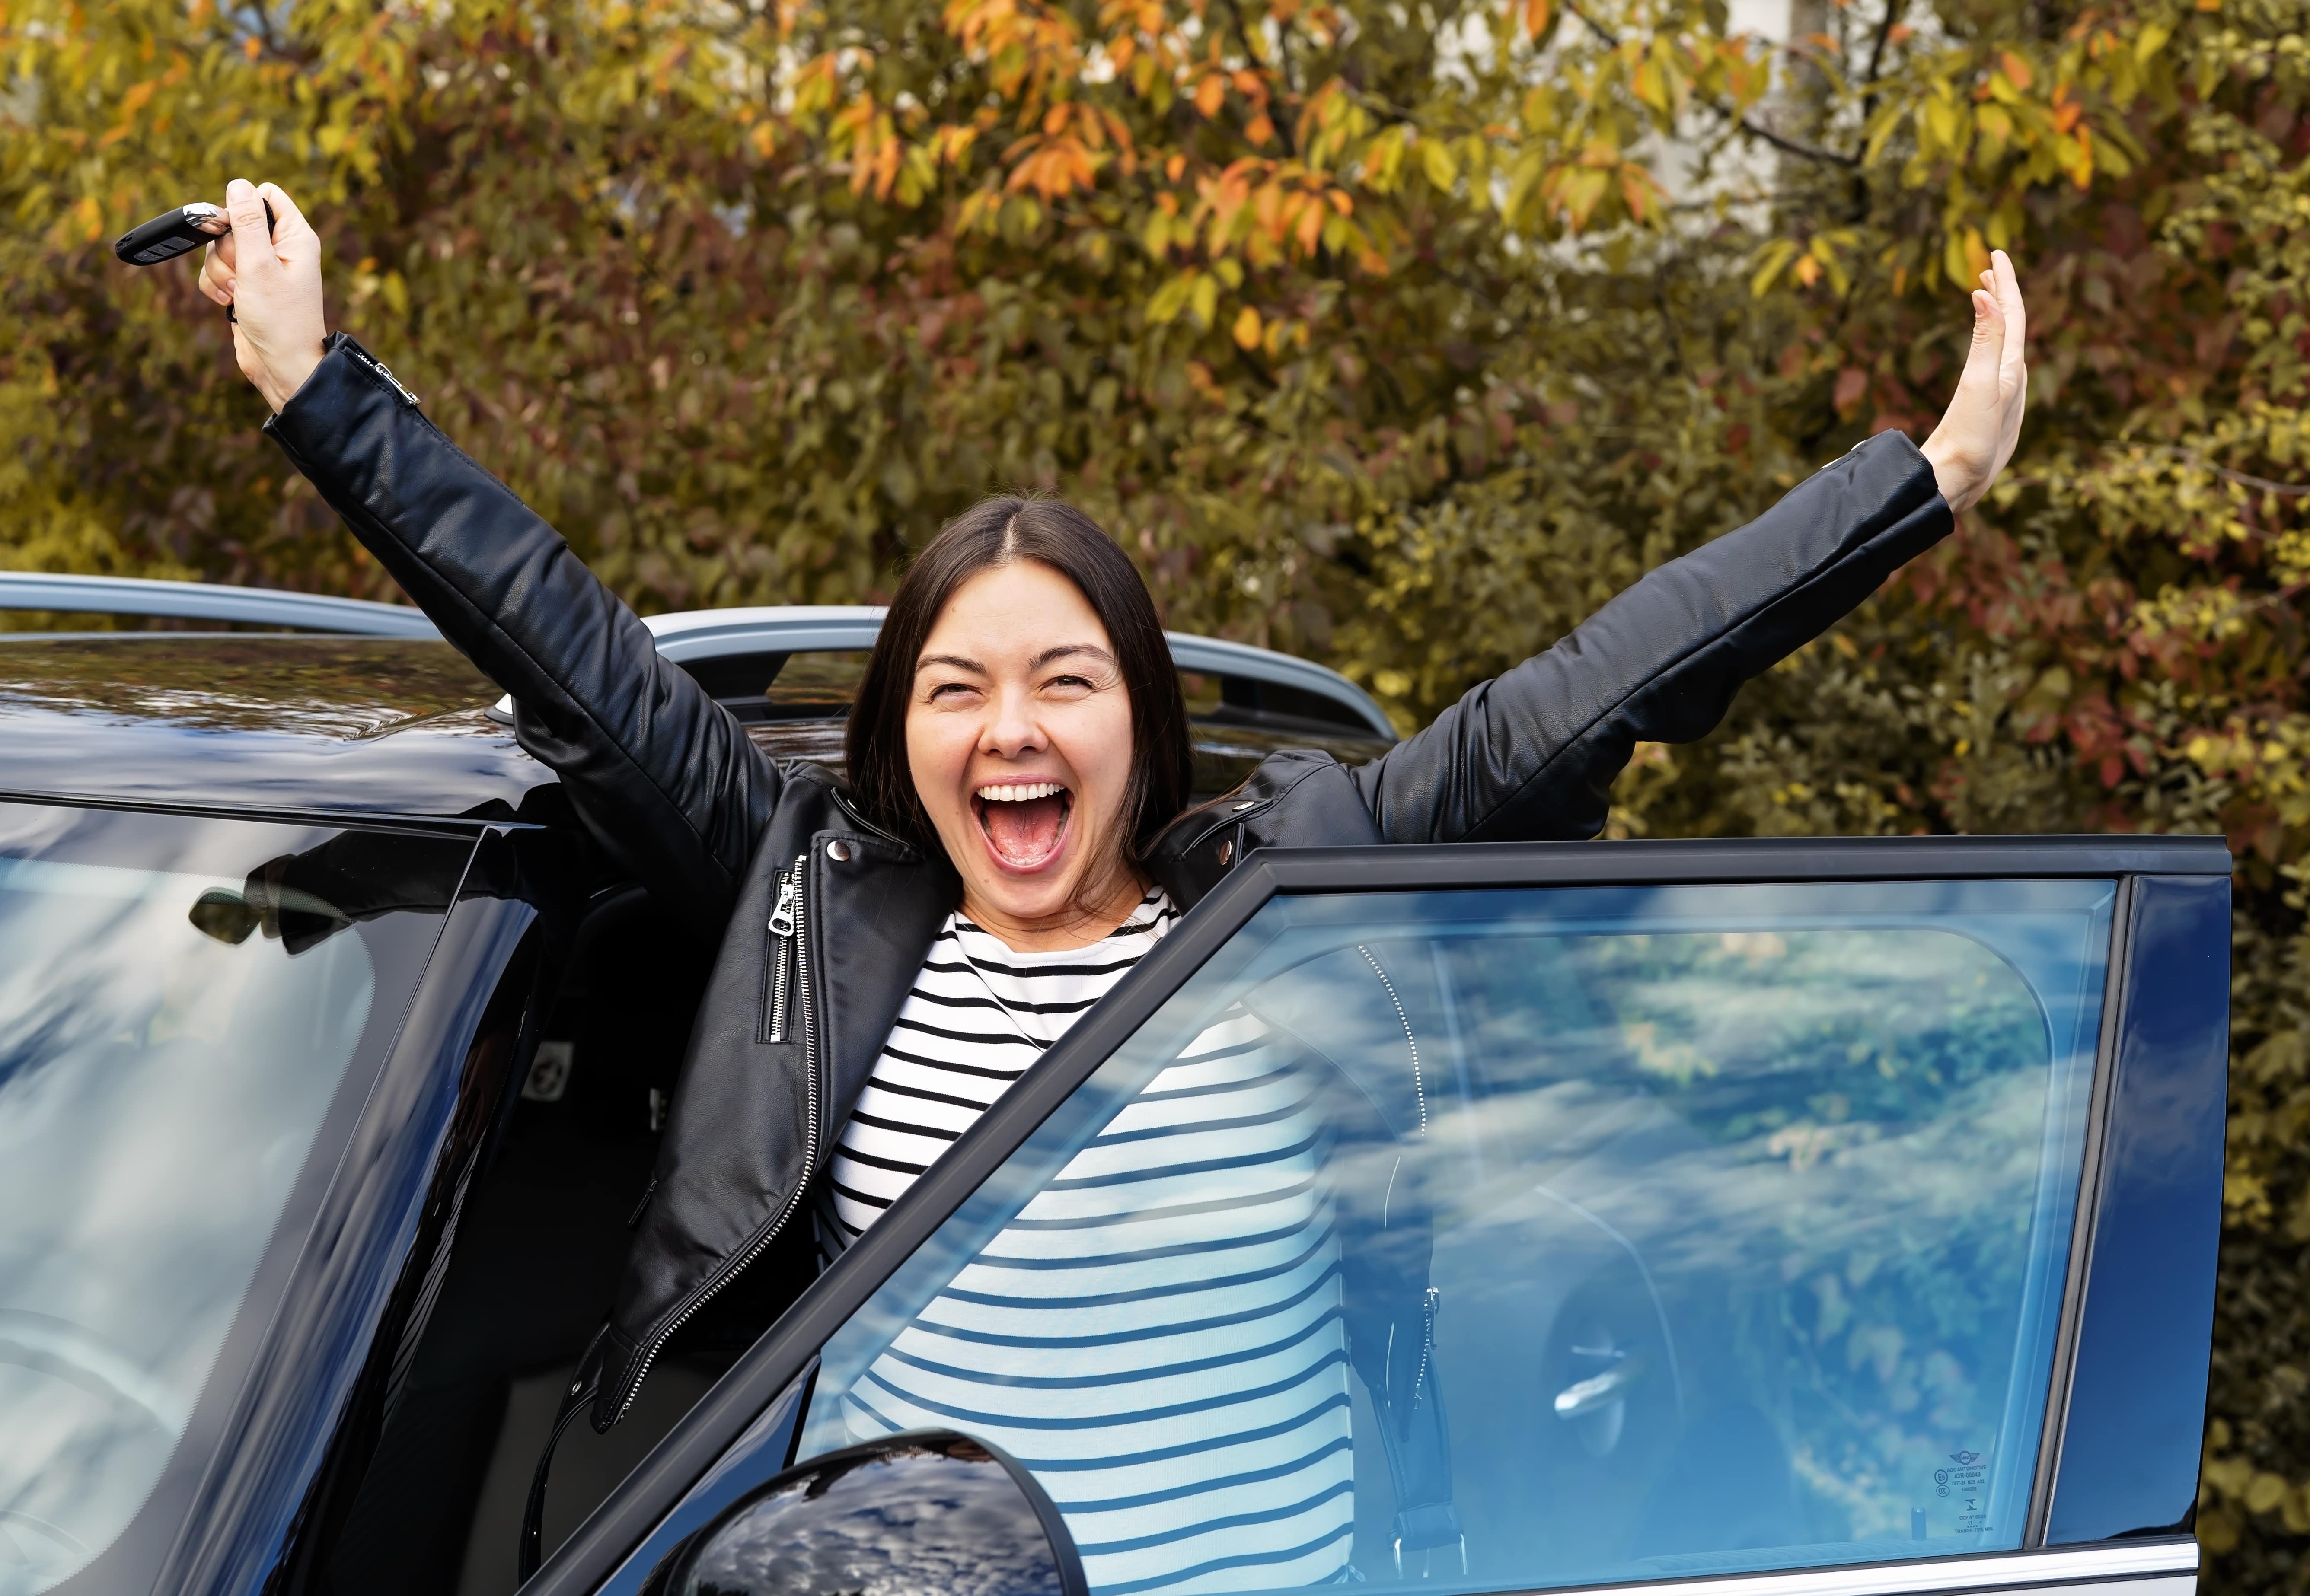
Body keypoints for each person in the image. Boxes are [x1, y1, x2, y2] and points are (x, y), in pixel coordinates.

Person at [198, 178, 2028, 1589]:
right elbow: (572, 650)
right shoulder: (811, 908)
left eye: (1064, 680)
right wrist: (312, 384)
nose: (1013, 728)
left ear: (1138, 722)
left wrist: (1916, 486)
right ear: (904, 736)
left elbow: (1594, 688)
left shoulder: (1285, 901)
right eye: (957, 688)